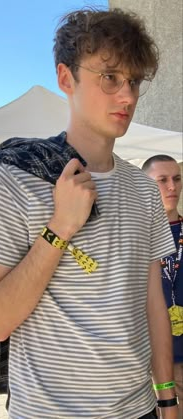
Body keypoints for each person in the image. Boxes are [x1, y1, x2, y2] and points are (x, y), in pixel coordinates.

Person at [0, 7, 178, 419]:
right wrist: (61, 226)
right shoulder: (13, 179)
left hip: (140, 409)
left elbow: (154, 301)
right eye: (109, 77)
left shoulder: (144, 191)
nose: (128, 96)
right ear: (66, 78)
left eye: (133, 81)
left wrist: (166, 396)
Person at [142, 155, 183, 418]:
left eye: (177, 179)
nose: (172, 187)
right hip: (149, 359)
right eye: (162, 180)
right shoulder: (135, 237)